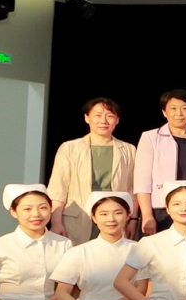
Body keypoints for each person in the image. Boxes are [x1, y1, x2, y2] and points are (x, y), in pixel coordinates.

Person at [48, 97, 136, 244]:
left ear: (117, 120)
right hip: (78, 218)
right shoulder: (69, 148)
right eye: (98, 115)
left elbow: (132, 189)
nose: (103, 120)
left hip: (113, 219)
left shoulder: (128, 150)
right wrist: (56, 222)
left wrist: (133, 219)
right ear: (87, 118)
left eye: (109, 116)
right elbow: (58, 189)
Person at [133, 89, 186, 236]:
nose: (179, 113)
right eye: (173, 108)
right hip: (160, 210)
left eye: (185, 108)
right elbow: (142, 181)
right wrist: (147, 215)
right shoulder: (150, 137)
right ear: (164, 112)